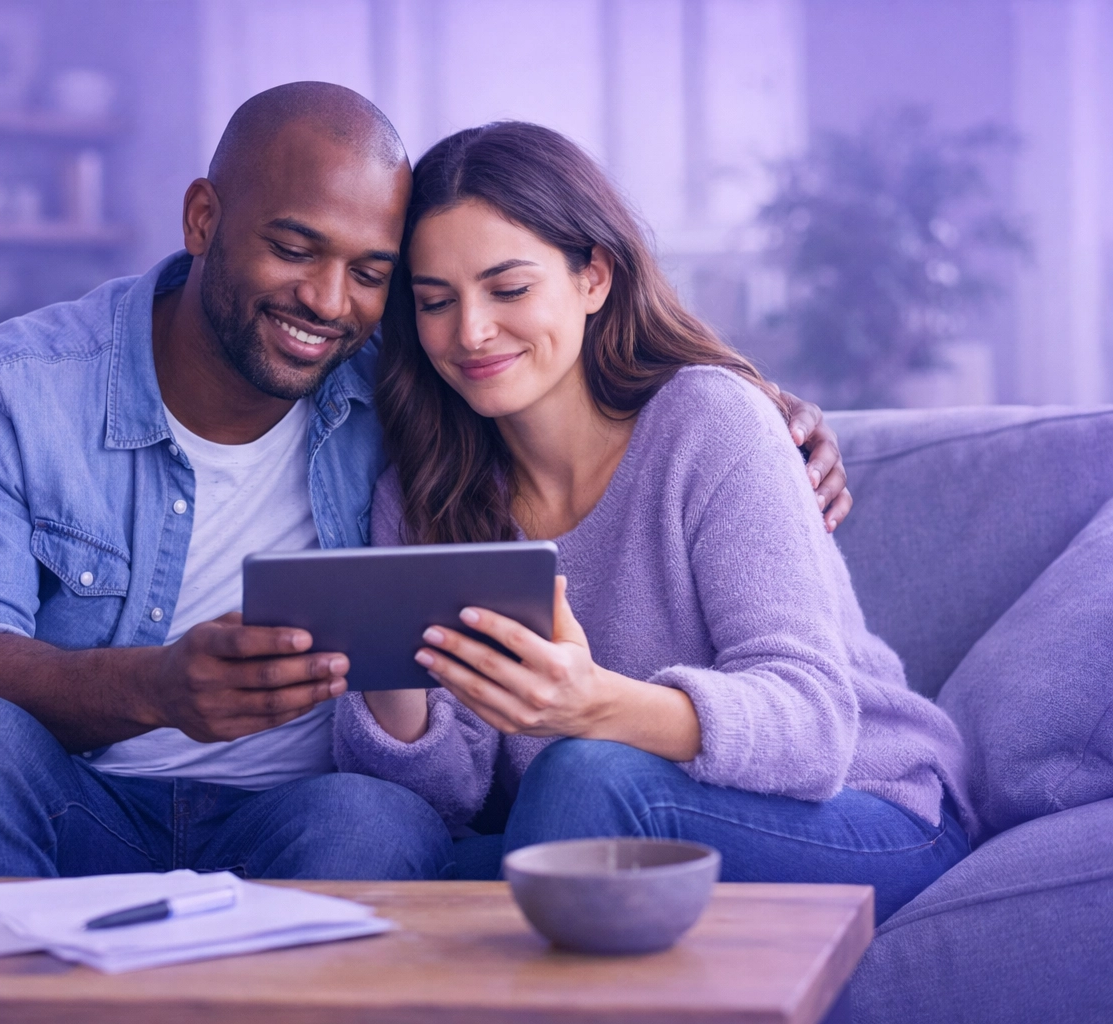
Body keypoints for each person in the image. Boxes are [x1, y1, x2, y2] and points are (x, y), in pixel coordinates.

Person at [0, 83, 851, 882]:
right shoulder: (2, 393)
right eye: (294, 248)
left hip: (301, 816)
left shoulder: (405, 387)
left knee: (374, 819)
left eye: (371, 273)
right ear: (204, 217)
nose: (328, 303)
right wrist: (156, 685)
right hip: (82, 794)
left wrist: (768, 411)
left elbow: (562, 355)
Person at [332, 121, 970, 920]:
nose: (470, 332)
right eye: (435, 302)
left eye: (510, 288)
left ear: (593, 277)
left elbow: (813, 725)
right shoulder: (425, 490)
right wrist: (390, 671)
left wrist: (594, 706)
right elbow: (447, 799)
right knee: (375, 838)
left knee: (583, 772)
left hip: (864, 808)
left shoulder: (709, 422)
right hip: (595, 827)